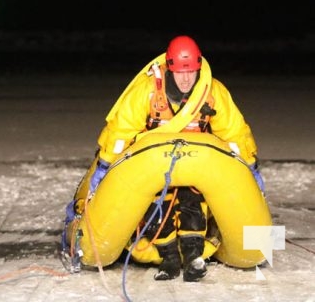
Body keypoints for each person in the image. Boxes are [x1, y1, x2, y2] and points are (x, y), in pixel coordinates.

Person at [71, 35, 263, 282]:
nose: (186, 78)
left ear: (198, 68)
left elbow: (235, 132)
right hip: (151, 168)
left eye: (191, 71)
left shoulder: (214, 92)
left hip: (197, 166)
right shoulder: (147, 92)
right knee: (158, 199)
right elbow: (121, 130)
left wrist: (251, 166)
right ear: (170, 68)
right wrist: (105, 164)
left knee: (191, 196)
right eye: (181, 71)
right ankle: (168, 256)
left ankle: (195, 255)